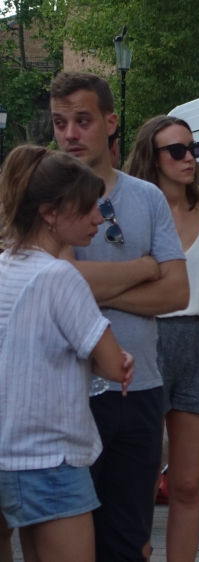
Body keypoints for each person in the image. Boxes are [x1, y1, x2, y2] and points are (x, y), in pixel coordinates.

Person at [50, 71, 190, 562]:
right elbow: (64, 282)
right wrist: (143, 269)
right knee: (70, 542)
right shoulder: (48, 199)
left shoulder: (146, 197)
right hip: (73, 392)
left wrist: (91, 289)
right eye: (60, 122)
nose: (70, 134)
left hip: (143, 389)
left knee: (130, 540)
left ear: (110, 123)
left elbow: (177, 291)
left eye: (83, 120)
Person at [0, 146, 136, 562]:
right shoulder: (61, 276)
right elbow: (115, 366)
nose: (99, 218)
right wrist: (115, 358)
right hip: (52, 457)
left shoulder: (6, 265)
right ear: (50, 213)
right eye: (87, 208)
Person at [124, 115, 199, 562]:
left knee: (187, 484)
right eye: (176, 151)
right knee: (137, 484)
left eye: (193, 149)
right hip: (148, 338)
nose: (189, 159)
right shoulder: (135, 213)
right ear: (152, 158)